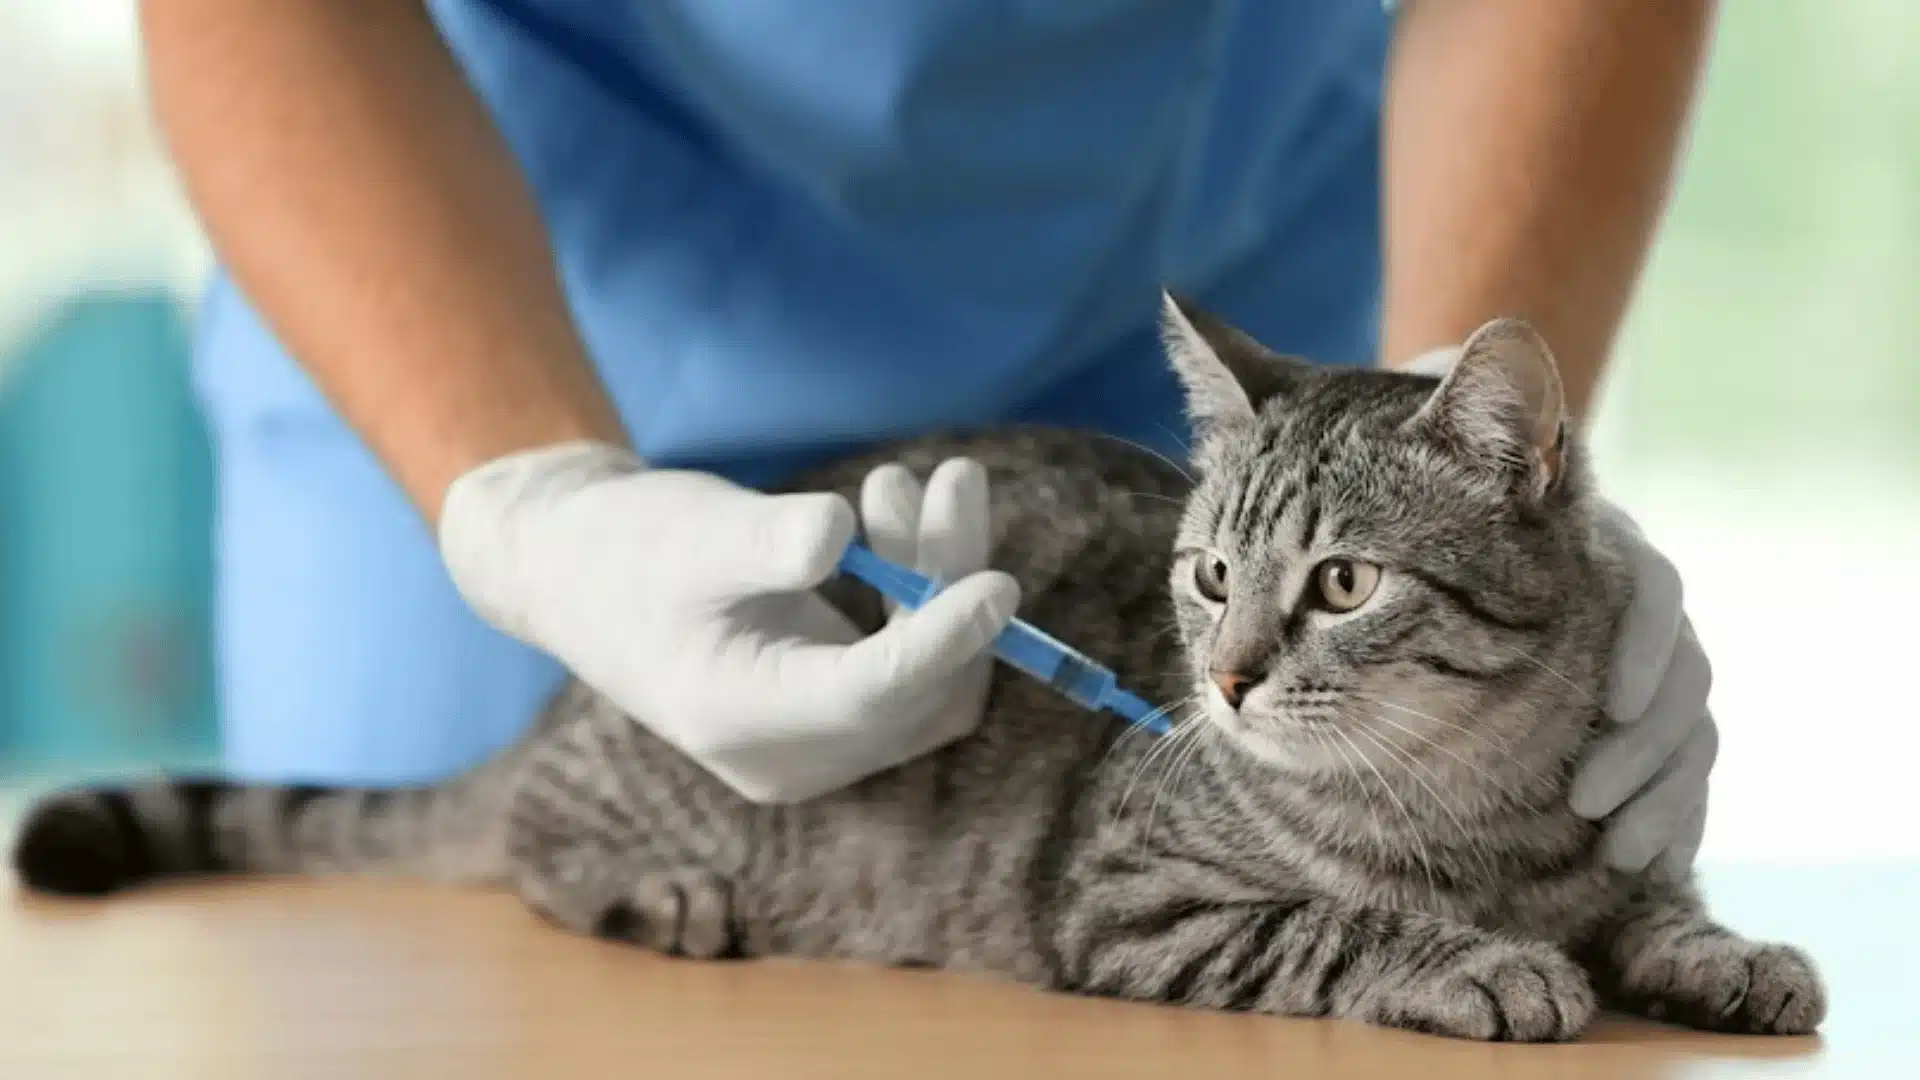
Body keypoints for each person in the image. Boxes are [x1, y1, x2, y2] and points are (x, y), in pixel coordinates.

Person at [143, 0, 1719, 878]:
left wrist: (1478, 441)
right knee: (424, 953)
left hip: (1196, 318)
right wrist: (532, 505)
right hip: (495, 263)